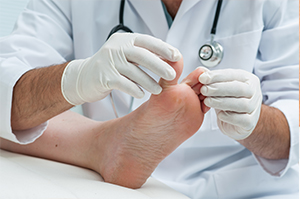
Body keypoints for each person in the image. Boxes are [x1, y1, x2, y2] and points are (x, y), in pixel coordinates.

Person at [0, 0, 298, 198]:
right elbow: (5, 85)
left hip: (244, 189)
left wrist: (255, 122)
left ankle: (102, 145)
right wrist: (74, 79)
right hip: (120, 188)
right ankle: (102, 144)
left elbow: (294, 131)